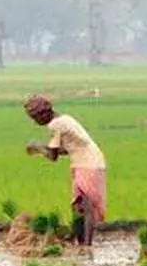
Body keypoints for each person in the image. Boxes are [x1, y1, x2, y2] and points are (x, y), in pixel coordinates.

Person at [24, 95, 107, 246]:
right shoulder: (65, 119)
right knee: (78, 206)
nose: (36, 122)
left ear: (44, 114)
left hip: (89, 164)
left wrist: (37, 147)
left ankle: (87, 246)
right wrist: (42, 147)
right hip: (86, 161)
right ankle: (80, 242)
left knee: (86, 205)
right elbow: (68, 149)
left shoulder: (56, 124)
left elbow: (52, 156)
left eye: (36, 118)